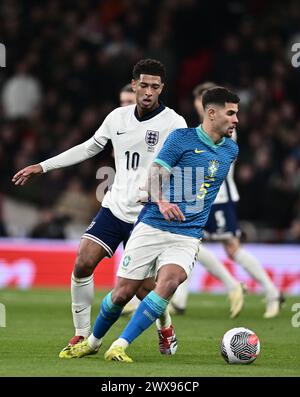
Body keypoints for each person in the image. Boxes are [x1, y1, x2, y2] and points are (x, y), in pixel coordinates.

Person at [12, 58, 187, 358]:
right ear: (133, 85)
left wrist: (169, 198)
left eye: (154, 87)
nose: (148, 92)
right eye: (143, 85)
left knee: (143, 288)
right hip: (115, 207)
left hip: (147, 215)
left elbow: (184, 164)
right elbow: (88, 147)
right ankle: (81, 334)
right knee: (83, 261)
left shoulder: (174, 123)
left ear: (162, 89)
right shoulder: (117, 118)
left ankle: (165, 328)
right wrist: (43, 166)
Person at [68, 86, 241, 363]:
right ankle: (93, 341)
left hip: (187, 235)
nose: (236, 120)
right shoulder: (180, 139)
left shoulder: (231, 149)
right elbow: (154, 177)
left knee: (170, 282)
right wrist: (161, 201)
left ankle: (121, 345)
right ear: (211, 113)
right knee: (122, 293)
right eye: (230, 113)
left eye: (236, 114)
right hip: (152, 224)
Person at [169, 82, 284, 319]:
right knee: (189, 243)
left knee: (227, 248)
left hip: (218, 196)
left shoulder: (224, 128)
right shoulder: (200, 130)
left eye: (202, 98)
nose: (199, 103)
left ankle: (270, 292)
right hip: (203, 196)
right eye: (196, 98)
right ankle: (180, 299)